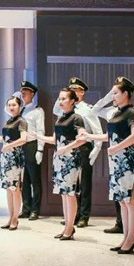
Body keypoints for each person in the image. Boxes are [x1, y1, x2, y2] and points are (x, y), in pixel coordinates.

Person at [79, 77, 134, 254]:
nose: (112, 96)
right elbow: (110, 136)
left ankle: (131, 239)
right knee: (122, 201)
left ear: (126, 94)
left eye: (115, 93)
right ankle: (125, 237)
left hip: (127, 160)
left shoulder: (133, 113)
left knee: (130, 200)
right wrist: (90, 136)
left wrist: (116, 148)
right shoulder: (116, 113)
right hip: (116, 161)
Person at [33, 88, 87, 241]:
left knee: (70, 194)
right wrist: (38, 136)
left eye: (64, 99)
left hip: (71, 159)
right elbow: (54, 140)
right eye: (59, 98)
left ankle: (70, 227)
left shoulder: (77, 118)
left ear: (73, 101)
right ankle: (67, 227)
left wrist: (67, 148)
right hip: (59, 159)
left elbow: (82, 139)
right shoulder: (60, 118)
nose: (61, 101)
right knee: (64, 194)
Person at [53, 77, 102, 227]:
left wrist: (95, 151)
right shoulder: (64, 110)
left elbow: (97, 131)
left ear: (82, 92)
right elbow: (55, 110)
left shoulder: (88, 110)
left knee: (84, 184)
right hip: (67, 151)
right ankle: (72, 216)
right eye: (71, 90)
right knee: (70, 184)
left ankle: (84, 216)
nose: (73, 92)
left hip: (83, 147)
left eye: (76, 90)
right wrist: (63, 95)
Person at [0, 96, 28, 230]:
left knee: (15, 189)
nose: (11, 107)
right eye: (9, 105)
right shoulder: (9, 121)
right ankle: (10, 216)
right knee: (8, 189)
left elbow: (24, 139)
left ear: (19, 106)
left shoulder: (21, 121)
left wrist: (9, 145)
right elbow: (3, 139)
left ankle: (15, 218)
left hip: (15, 158)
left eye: (14, 105)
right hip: (6, 158)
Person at [14, 81, 45, 220]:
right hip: (22, 146)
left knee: (34, 180)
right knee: (24, 180)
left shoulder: (38, 111)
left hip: (32, 145)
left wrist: (40, 150)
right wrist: (16, 95)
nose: (23, 95)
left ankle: (35, 210)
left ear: (32, 94)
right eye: (22, 92)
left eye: (25, 93)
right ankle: (26, 208)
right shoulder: (21, 110)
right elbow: (6, 108)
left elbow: (41, 131)